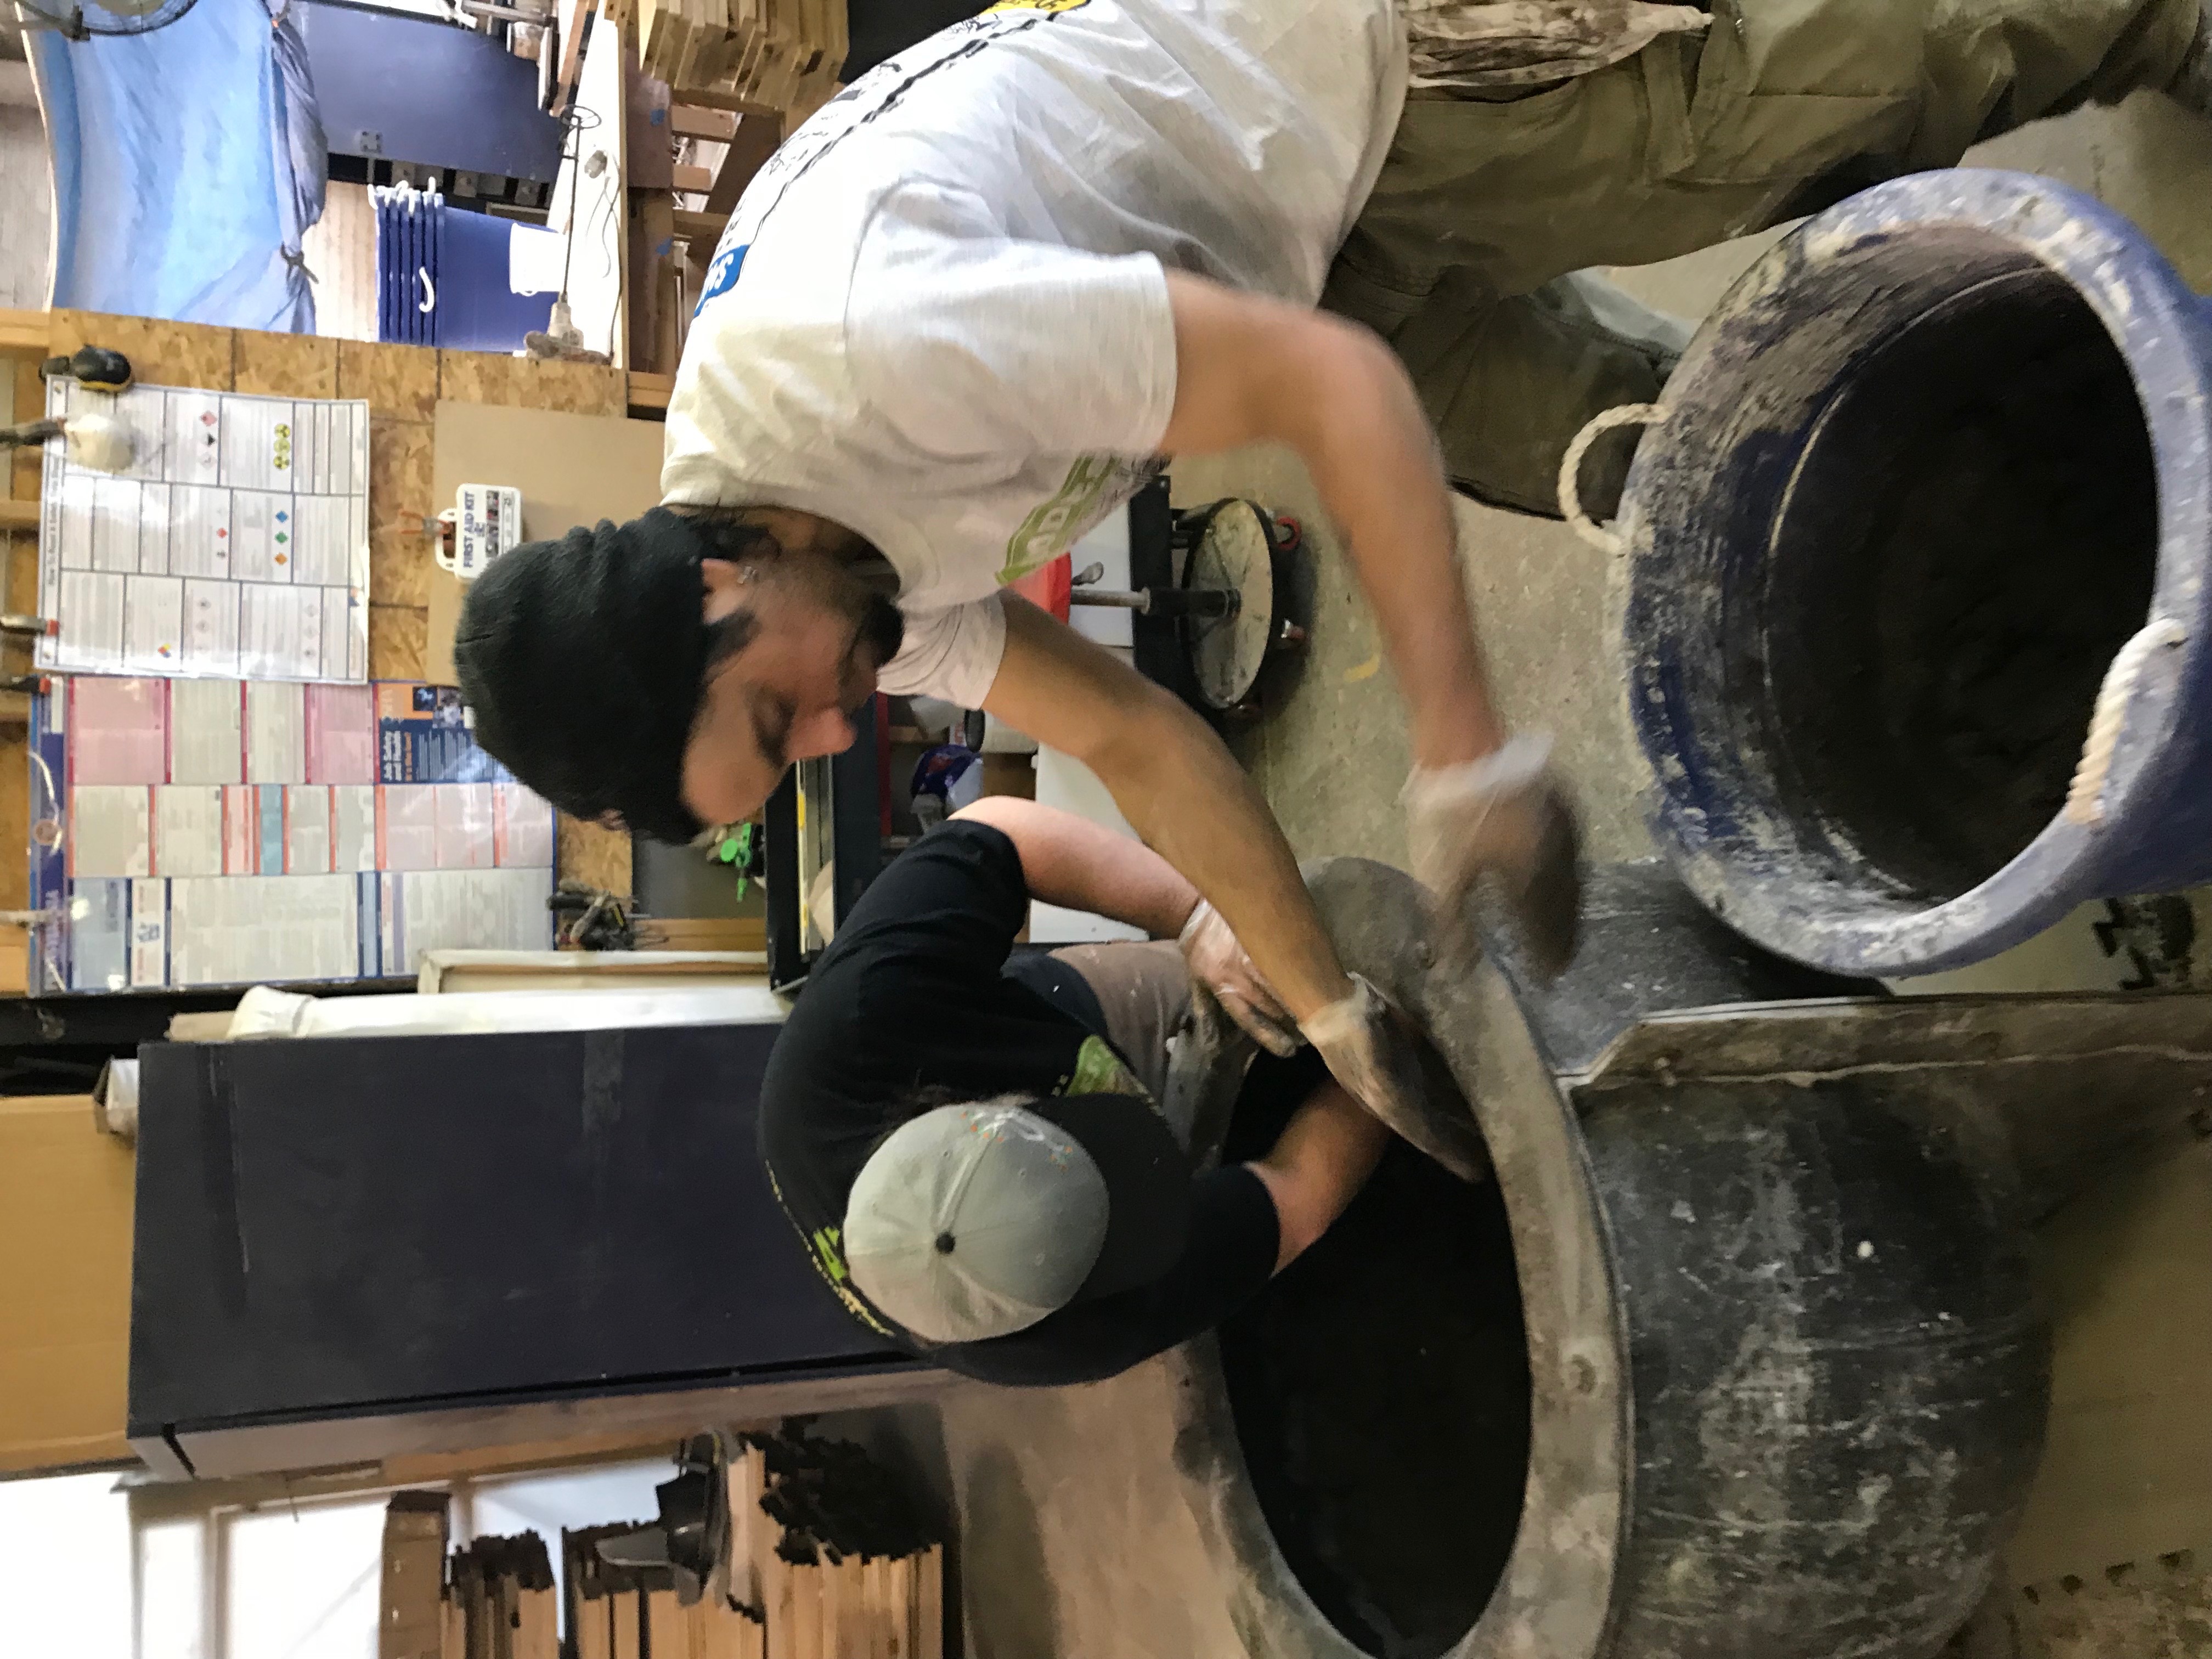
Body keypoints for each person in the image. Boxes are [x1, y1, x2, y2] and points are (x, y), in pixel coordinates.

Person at [453, 0, 2209, 1119]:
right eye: (783, 760)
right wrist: (1332, 1015)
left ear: (712, 589)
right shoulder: (826, 592)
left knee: (1807, 110)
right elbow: (1141, 742)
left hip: (1337, 91)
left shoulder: (865, 364)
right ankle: (2032, 487)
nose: (831, 742)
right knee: (1663, 448)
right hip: (1279, 263)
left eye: (775, 722)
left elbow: (1331, 393)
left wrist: (1466, 747)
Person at [758, 796, 1395, 1385]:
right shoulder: (1066, 1335)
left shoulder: (857, 1031)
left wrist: (1198, 922)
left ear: (971, 1101)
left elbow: (1002, 832)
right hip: (1071, 1272)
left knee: (1264, 976)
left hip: (1066, 1021)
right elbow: (1300, 1197)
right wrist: (1386, 1069)